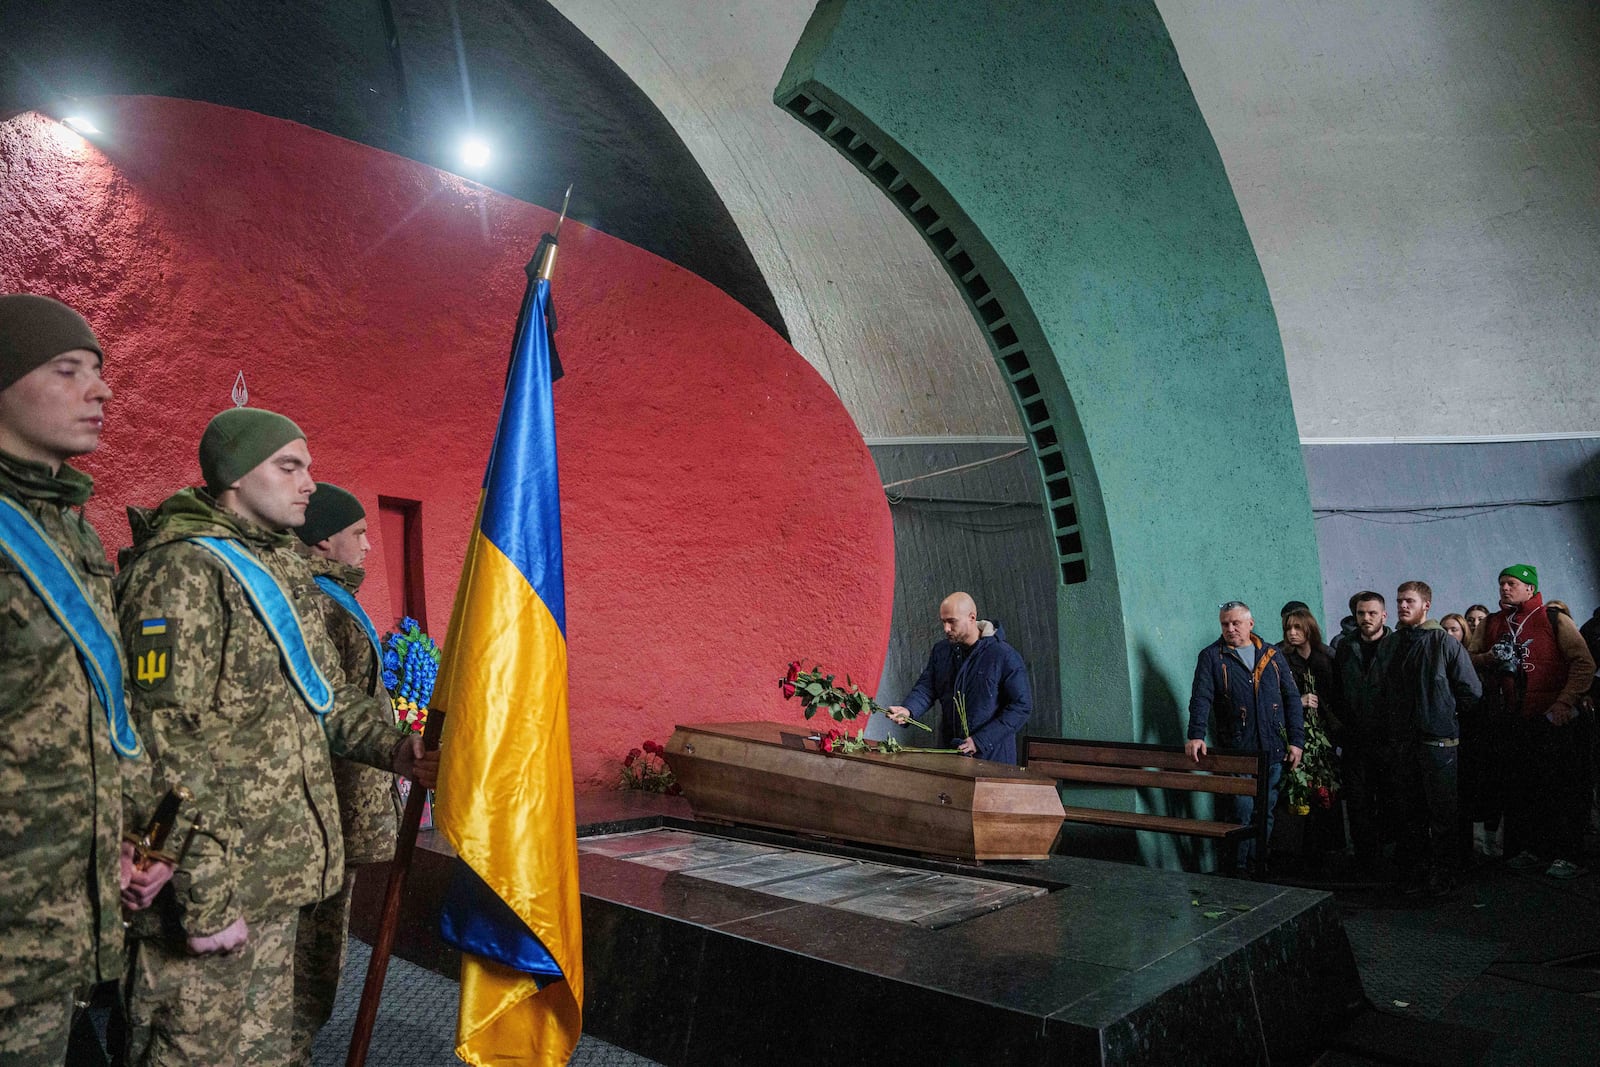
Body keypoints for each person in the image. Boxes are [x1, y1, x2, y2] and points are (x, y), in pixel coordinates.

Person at [115, 408, 438, 1065]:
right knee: (190, 1053)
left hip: (270, 875)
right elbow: (167, 747)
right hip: (212, 887)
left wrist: (396, 747)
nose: (309, 483)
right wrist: (206, 901)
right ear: (234, 478)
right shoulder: (182, 573)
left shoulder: (280, 574)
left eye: (309, 465)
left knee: (266, 1050)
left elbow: (325, 698)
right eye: (289, 466)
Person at [0, 295, 167, 1065]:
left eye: (100, 372)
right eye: (69, 369)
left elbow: (99, 710)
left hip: (63, 923)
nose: (101, 390)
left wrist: (130, 838)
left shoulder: (68, 530)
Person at [289, 484, 399, 1064]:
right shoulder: (320, 603)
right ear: (324, 539)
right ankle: (292, 1047)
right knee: (310, 946)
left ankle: (297, 1043)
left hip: (342, 804)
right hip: (324, 807)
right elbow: (326, 707)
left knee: (323, 944)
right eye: (357, 534)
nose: (367, 546)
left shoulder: (334, 596)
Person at [1474, 565, 1595, 879]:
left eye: (1511, 583)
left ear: (1530, 588)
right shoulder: (1492, 623)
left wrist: (1564, 702)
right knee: (1523, 790)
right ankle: (1532, 850)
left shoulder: (1553, 619)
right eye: (1501, 583)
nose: (1504, 589)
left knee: (1561, 790)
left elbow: (1583, 662)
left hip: (1552, 719)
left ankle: (1569, 855)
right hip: (1513, 721)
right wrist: (1489, 659)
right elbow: (1468, 657)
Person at [1185, 601, 1304, 875]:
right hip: (1239, 750)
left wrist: (1296, 741)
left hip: (1273, 748)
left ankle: (1257, 867)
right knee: (1241, 811)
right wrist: (1196, 735)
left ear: (1250, 624)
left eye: (1235, 623)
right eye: (1225, 624)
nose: (1230, 629)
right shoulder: (1213, 657)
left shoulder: (1272, 655)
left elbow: (1292, 700)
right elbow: (1201, 698)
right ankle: (1239, 872)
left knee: (1267, 811)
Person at [1383, 581, 1481, 896]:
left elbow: (1471, 691)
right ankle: (1418, 873)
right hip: (1405, 740)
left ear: (1426, 604)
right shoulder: (1394, 643)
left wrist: (1443, 715)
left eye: (1409, 601)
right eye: (1399, 601)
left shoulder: (1444, 644)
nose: (1402, 606)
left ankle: (1445, 877)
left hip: (1437, 740)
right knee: (1410, 812)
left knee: (1442, 813)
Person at [886, 591, 1032, 764]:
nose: (946, 629)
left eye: (951, 622)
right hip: (950, 755)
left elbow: (1021, 706)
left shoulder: (1003, 655)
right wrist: (908, 710)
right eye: (943, 622)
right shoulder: (941, 651)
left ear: (972, 617)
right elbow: (927, 688)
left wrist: (981, 741)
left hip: (993, 760)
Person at [1332, 591, 1393, 875]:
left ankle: (1389, 860)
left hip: (1388, 739)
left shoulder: (1396, 646)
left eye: (1371, 613)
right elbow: (1337, 691)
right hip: (1355, 739)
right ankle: (1365, 860)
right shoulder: (1345, 647)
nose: (1366, 618)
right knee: (1357, 802)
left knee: (1390, 799)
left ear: (1384, 615)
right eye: (1361, 614)